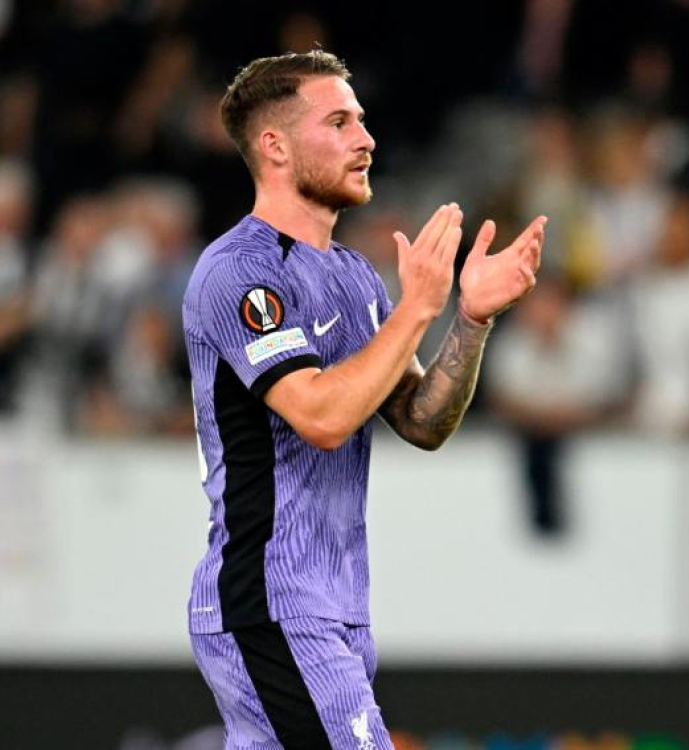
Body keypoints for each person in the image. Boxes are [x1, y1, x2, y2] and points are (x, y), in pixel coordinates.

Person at [182, 51, 545, 749]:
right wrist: (418, 307)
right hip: (271, 601)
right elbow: (321, 416)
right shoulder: (239, 271)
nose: (366, 140)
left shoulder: (354, 279)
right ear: (275, 146)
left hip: (335, 606)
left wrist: (470, 319)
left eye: (362, 121)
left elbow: (421, 419)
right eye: (339, 123)